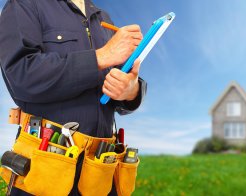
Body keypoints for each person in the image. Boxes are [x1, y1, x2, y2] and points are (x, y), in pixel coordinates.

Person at [0, 0, 146, 195]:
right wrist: (101, 57)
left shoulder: (103, 18)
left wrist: (131, 90)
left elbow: (119, 88)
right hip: (45, 168)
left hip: (99, 171)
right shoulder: (24, 5)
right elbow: (22, 75)